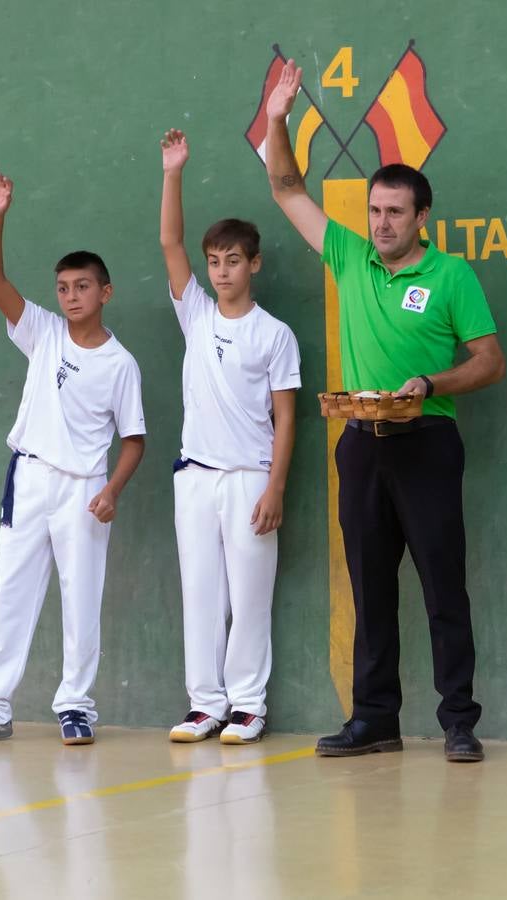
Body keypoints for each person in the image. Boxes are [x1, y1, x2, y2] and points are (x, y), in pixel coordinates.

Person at [262, 61, 505, 762]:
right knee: (369, 588)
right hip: (359, 444)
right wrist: (278, 118)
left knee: (441, 585)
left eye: (396, 212)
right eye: (375, 210)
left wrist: (431, 384)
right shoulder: (347, 254)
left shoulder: (451, 275)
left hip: (427, 439)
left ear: (422, 217)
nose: (383, 222)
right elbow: (285, 186)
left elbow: (490, 360)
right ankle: (376, 719)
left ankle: (458, 720)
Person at [0, 171, 146, 747]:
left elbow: (134, 440)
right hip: (28, 480)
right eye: (62, 287)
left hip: (84, 492)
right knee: (10, 592)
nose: (71, 295)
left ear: (105, 292)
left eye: (82, 286)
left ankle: (76, 705)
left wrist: (112, 491)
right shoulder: (42, 333)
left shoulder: (121, 364)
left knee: (82, 600)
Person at [158, 129, 302, 745]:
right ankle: (205, 705)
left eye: (232, 261)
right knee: (201, 594)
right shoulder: (194, 311)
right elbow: (169, 240)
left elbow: (287, 417)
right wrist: (174, 172)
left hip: (250, 480)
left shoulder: (275, 335)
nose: (220, 271)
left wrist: (274, 489)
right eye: (213, 261)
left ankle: (247, 705)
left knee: (249, 596)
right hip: (194, 478)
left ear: (254, 264)